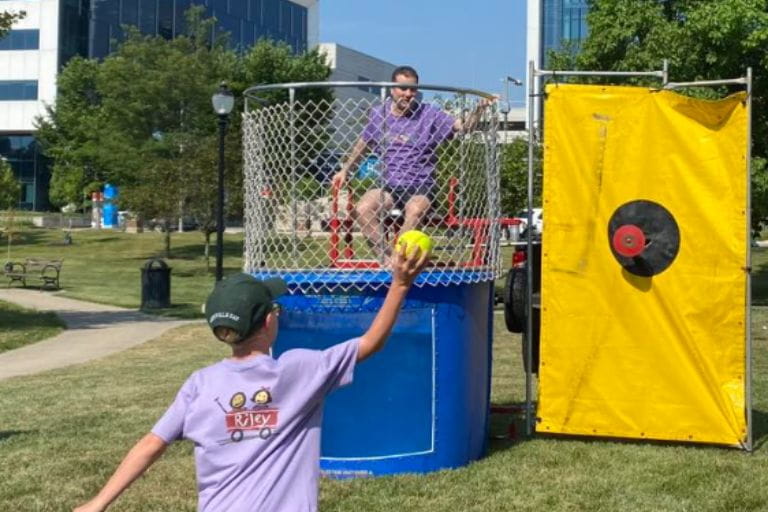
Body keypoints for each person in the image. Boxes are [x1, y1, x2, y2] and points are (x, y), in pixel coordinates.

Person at [73, 246, 429, 512]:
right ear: (269, 322)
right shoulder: (300, 370)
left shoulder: (200, 384)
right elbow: (370, 343)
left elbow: (151, 444)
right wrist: (399, 284)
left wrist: (98, 503)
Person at [332, 65, 494, 257]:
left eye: (413, 89)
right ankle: (387, 258)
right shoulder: (379, 114)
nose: (408, 94)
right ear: (392, 89)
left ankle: (399, 259)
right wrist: (346, 169)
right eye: (403, 88)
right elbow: (364, 142)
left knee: (415, 209)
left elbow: (464, 127)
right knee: (363, 208)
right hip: (389, 185)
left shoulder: (429, 114)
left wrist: (479, 109)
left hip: (421, 185)